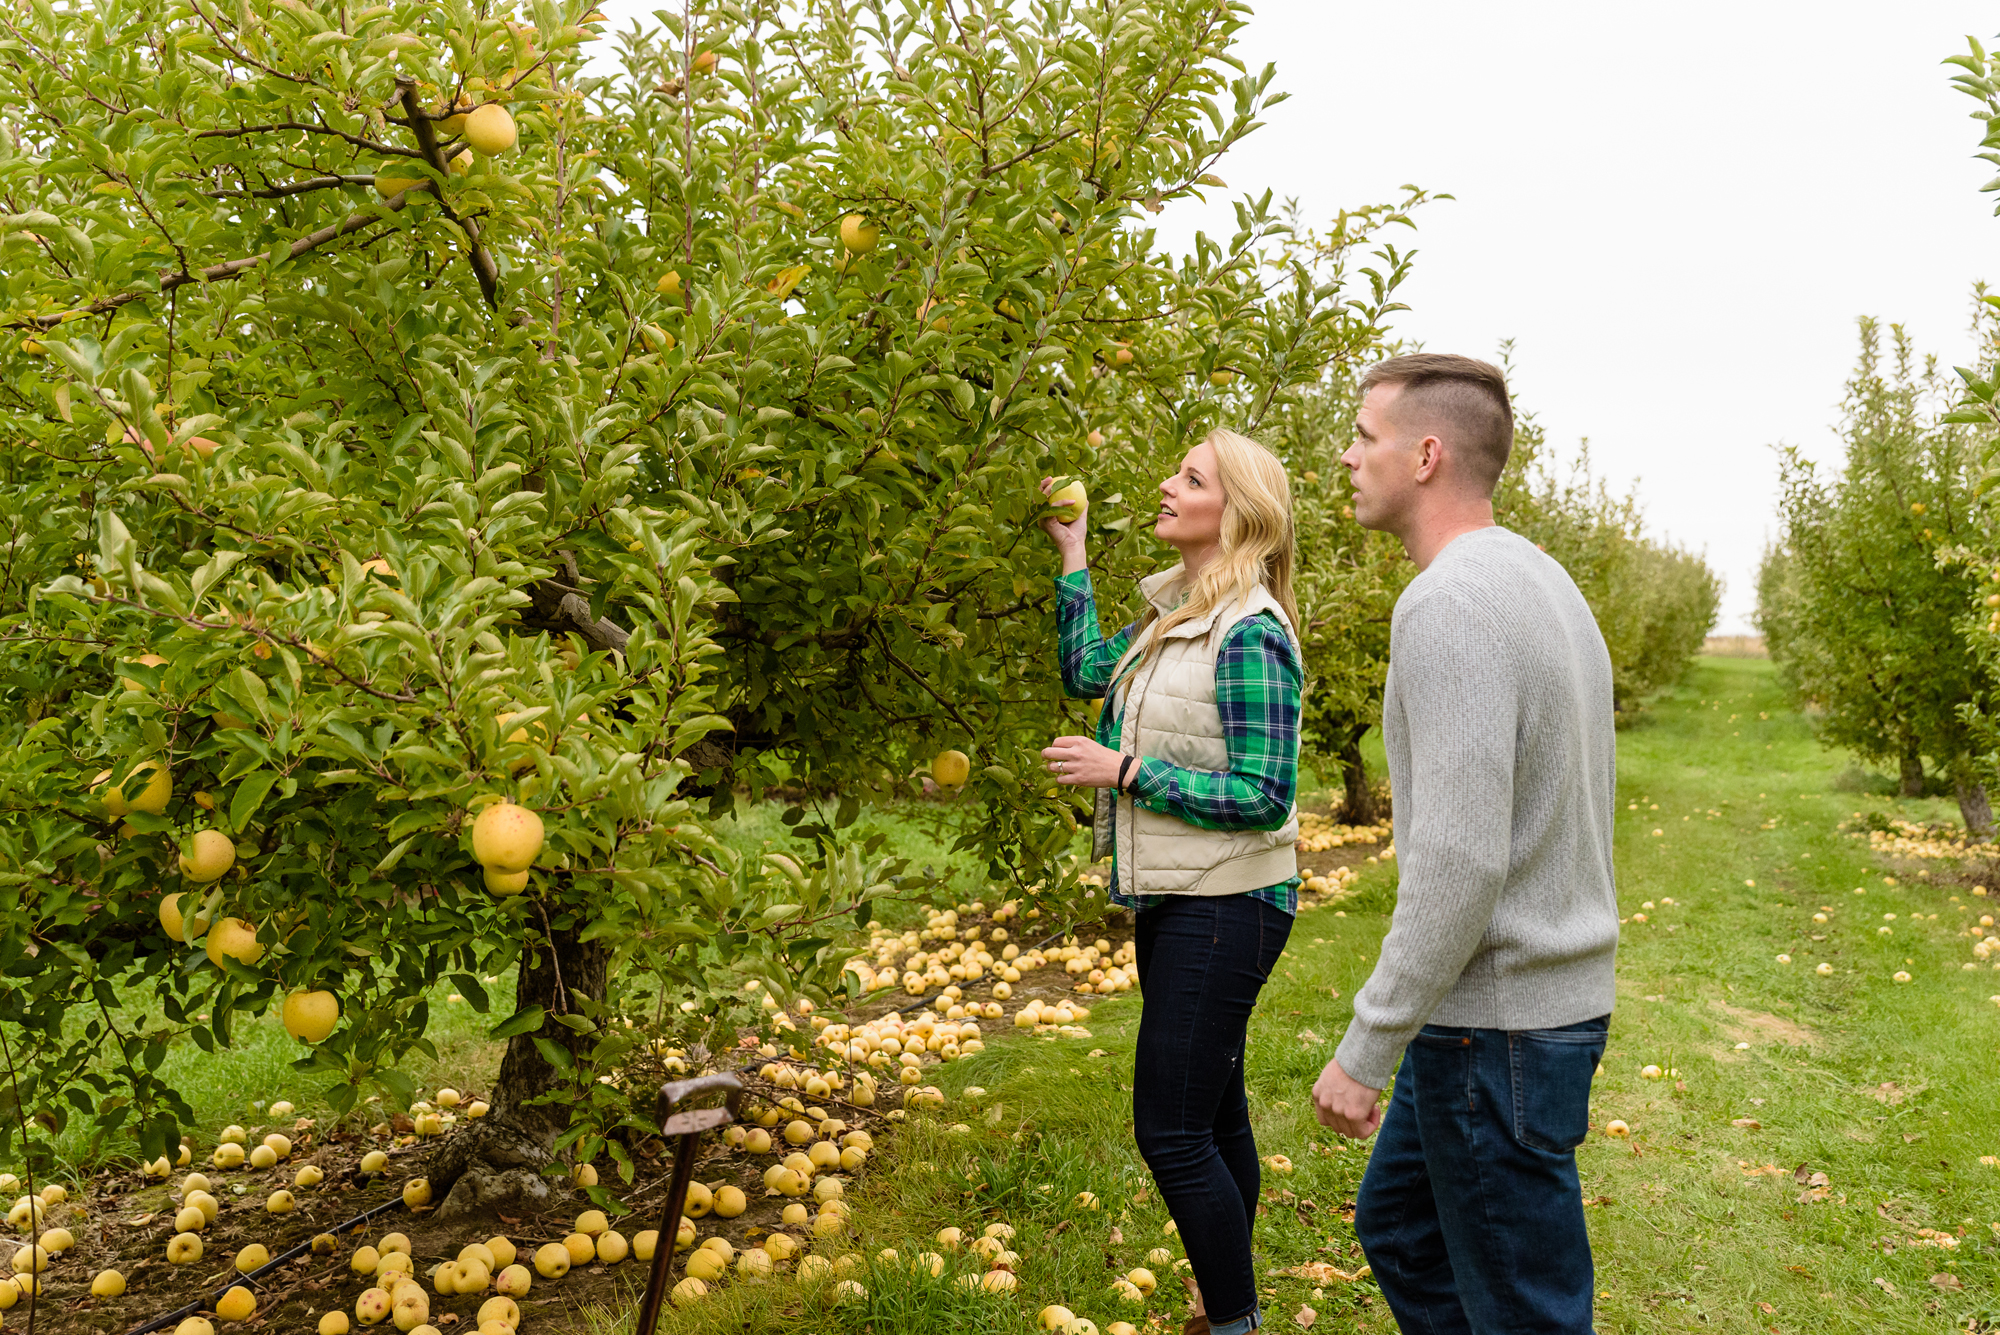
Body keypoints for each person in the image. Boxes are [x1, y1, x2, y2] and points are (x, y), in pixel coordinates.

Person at [1309, 353, 1619, 1334]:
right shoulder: (1540, 579)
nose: (1347, 455)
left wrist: (1366, 1047)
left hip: (1497, 1030)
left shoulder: (1447, 605)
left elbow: (1458, 862)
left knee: (1523, 1312)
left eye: (1364, 436)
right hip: (1525, 1013)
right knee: (1401, 1225)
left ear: (1425, 453)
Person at [1039, 427, 1303, 1335]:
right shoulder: (1175, 615)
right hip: (1183, 894)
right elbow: (1085, 672)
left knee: (1172, 1131)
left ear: (1236, 516)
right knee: (1215, 1115)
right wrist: (1072, 554)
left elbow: (1266, 795)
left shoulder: (1249, 632)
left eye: (1190, 478)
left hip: (1232, 901)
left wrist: (1127, 771)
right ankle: (1224, 1299)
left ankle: (1234, 1323)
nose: (1165, 483)